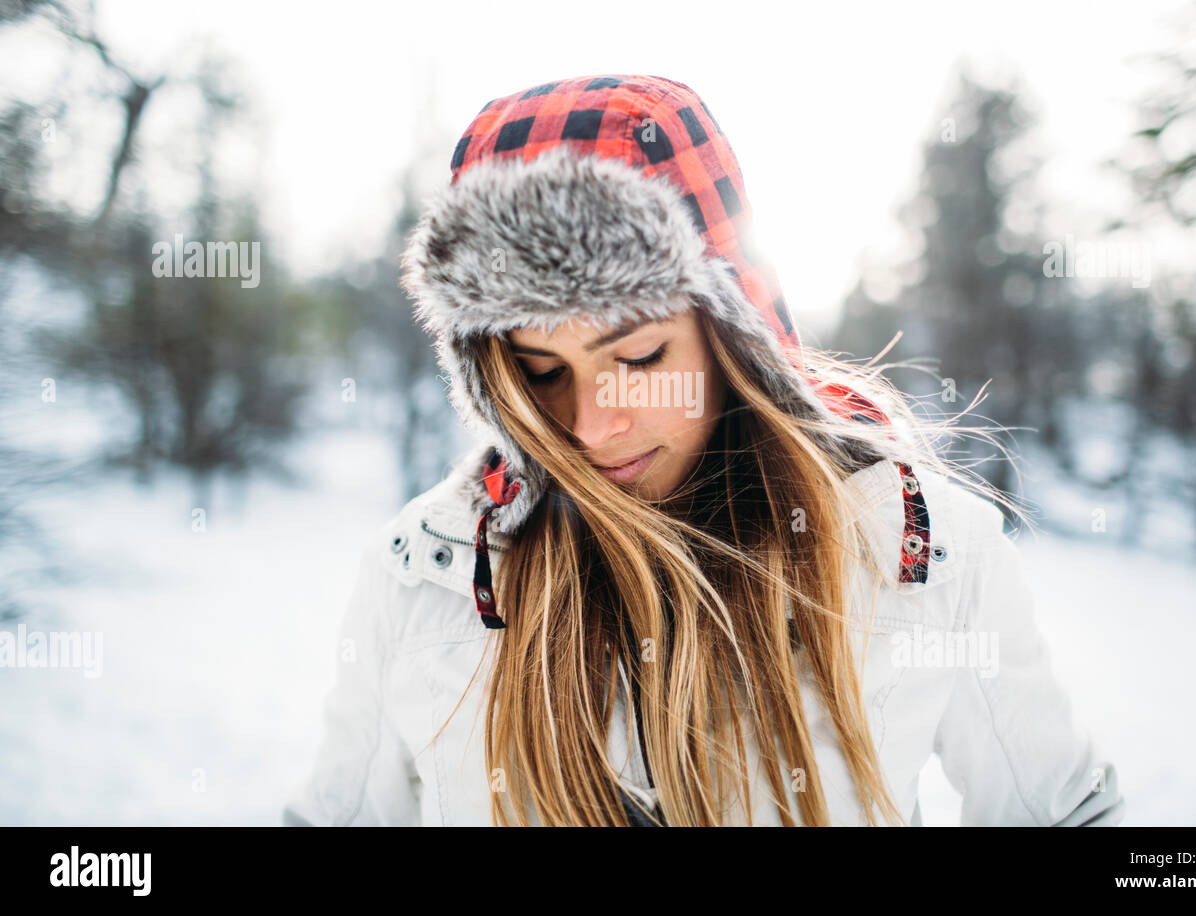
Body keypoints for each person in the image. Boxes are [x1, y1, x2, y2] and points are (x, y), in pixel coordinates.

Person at [281, 74, 1125, 827]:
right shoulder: (425, 573)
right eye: (540, 371)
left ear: (732, 333)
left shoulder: (923, 554)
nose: (590, 426)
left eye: (639, 358)